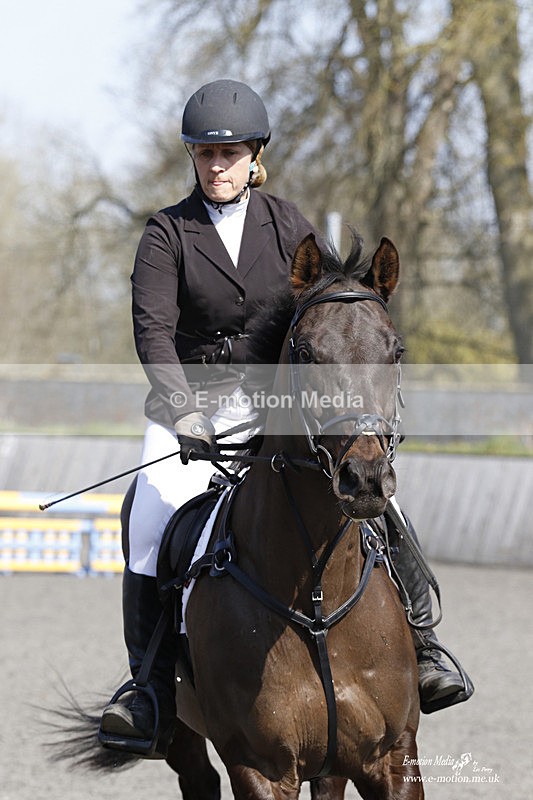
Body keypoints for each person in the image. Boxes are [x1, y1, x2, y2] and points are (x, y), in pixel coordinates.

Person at [99, 79, 472, 757]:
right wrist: (184, 411)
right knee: (150, 519)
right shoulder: (167, 233)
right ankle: (148, 690)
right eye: (205, 154)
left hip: (274, 404)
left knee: (369, 495)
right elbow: (152, 330)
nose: (217, 165)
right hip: (193, 407)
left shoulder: (287, 224)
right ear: (192, 157)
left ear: (254, 156)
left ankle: (423, 647)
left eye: (230, 153)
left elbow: (323, 315)